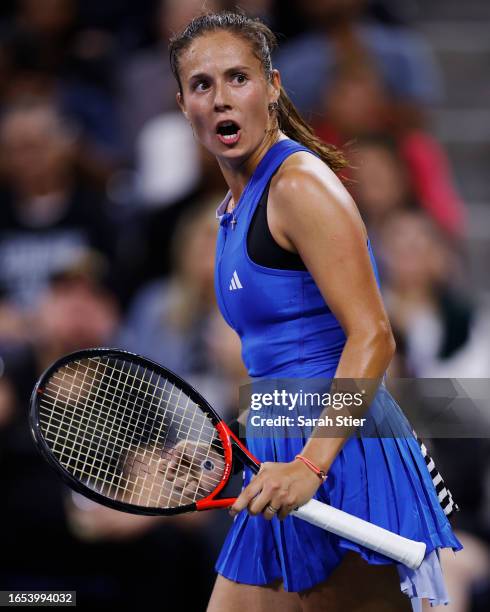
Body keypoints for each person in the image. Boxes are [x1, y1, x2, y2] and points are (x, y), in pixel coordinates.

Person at [169, 11, 461, 612]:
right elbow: (279, 362)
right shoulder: (232, 207)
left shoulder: (299, 186)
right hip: (283, 455)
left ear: (272, 86)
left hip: (340, 455)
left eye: (238, 79)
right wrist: (231, 449)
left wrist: (311, 461)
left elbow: (374, 336)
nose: (222, 99)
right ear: (183, 104)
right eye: (203, 85)